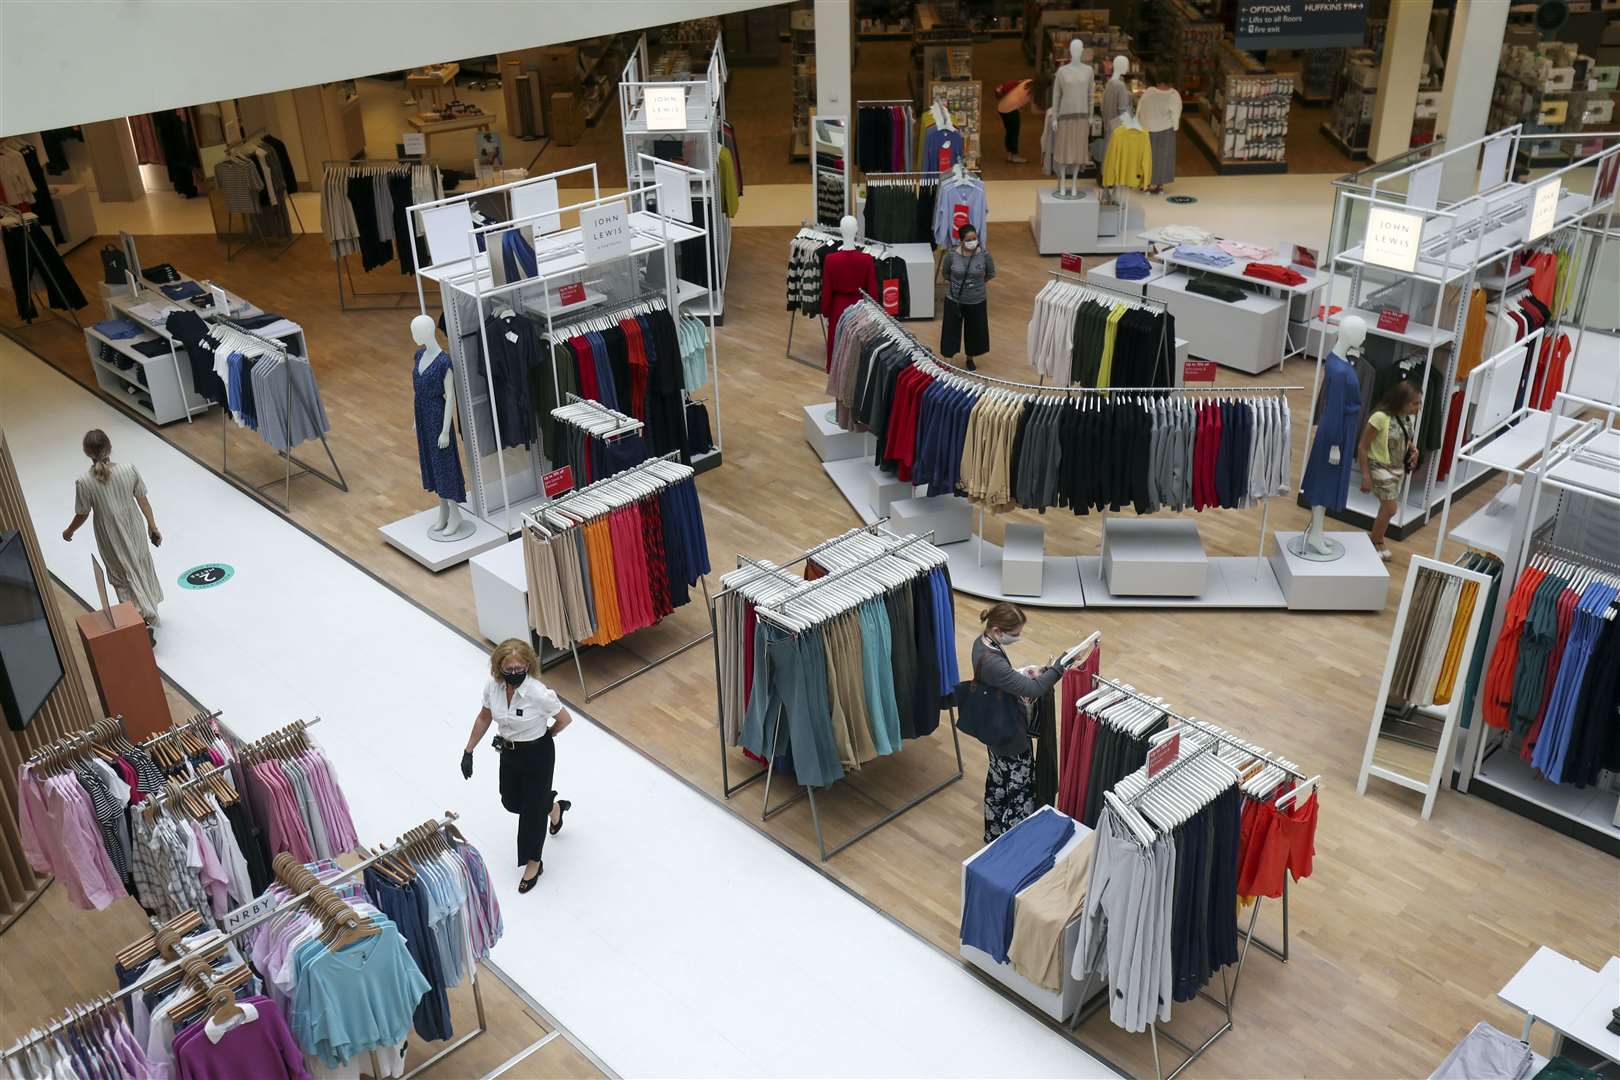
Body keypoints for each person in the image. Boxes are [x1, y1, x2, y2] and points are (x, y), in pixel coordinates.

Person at [971, 603, 1091, 842]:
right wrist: (1059, 667)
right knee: (1020, 790)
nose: (1017, 638)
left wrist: (1032, 671)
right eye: (1014, 634)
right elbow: (1033, 689)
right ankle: (1015, 843)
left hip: (995, 731)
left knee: (998, 784)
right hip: (1010, 737)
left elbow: (1009, 680)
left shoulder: (982, 644)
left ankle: (993, 836)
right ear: (997, 630)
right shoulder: (992, 662)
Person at [461, 639, 573, 893]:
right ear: (499, 668)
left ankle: (533, 862)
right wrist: (468, 750)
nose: (514, 674)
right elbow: (484, 717)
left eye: (519, 669)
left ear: (528, 666)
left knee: (531, 815)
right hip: (509, 753)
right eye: (508, 670)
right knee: (512, 802)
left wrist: (548, 736)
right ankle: (553, 808)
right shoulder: (494, 687)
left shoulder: (538, 693)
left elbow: (564, 719)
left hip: (538, 755)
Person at [62, 429, 163, 637]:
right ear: (109, 447)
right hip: (133, 526)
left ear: (86, 452)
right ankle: (148, 610)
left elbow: (82, 512)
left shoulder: (84, 482)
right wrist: (152, 526)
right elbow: (142, 499)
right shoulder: (128, 469)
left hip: (109, 534)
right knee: (139, 564)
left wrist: (69, 530)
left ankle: (139, 619)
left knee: (121, 573)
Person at [1358, 380, 1423, 562]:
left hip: (1397, 468)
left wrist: (1413, 448)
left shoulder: (1405, 418)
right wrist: (1365, 475)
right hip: (1379, 466)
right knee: (1391, 508)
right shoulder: (1379, 418)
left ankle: (1377, 540)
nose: (1418, 407)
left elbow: (1402, 437)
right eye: (1415, 403)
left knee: (1385, 509)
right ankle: (1375, 541)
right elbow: (1363, 447)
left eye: (1419, 402)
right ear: (1402, 401)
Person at [940, 223, 995, 371]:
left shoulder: (984, 255)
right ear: (961, 241)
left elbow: (990, 273)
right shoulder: (951, 255)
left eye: (974, 238)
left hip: (976, 300)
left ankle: (970, 358)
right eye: (968, 239)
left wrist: (977, 285)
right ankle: (948, 362)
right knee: (950, 331)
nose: (972, 242)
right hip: (954, 299)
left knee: (974, 331)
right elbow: (945, 274)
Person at [994, 78, 1036, 164]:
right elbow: (1034, 110)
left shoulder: (1028, 81)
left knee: (1009, 132)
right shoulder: (1033, 92)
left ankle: (1010, 154)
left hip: (1002, 106)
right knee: (1014, 133)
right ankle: (1015, 156)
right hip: (1011, 109)